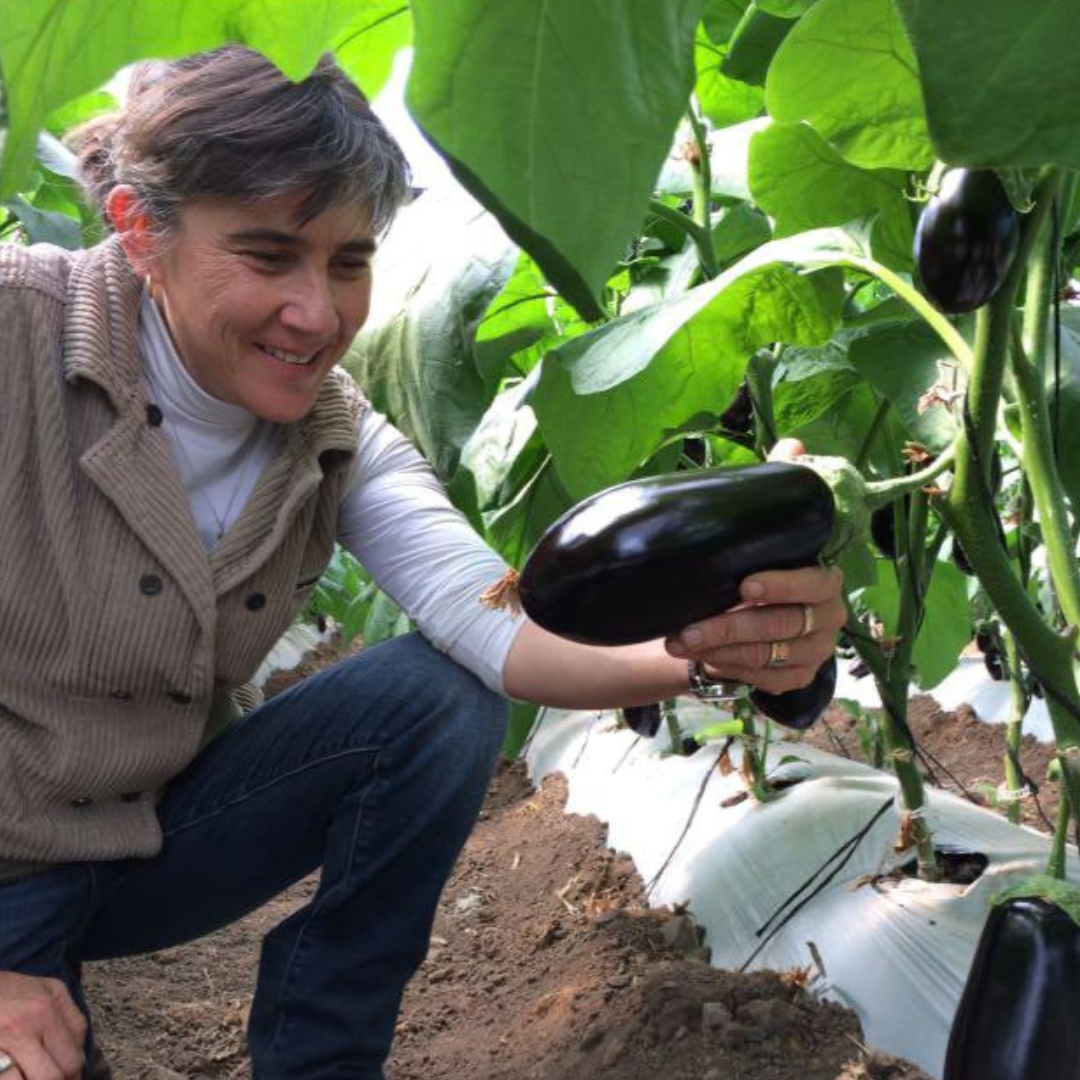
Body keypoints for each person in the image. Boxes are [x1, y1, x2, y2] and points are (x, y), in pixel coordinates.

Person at [0, 45, 845, 1080]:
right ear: (140, 230)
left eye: (348, 262)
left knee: (436, 699)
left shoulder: (335, 435)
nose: (318, 314)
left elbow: (496, 627)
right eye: (268, 257)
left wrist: (715, 652)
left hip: (136, 846)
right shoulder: (16, 332)